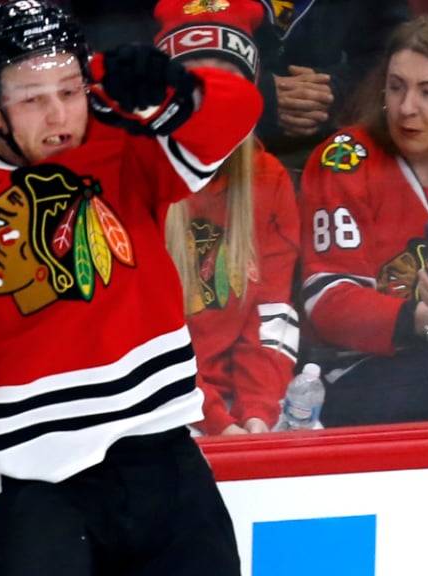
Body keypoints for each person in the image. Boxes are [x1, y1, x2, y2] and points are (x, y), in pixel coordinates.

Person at [0, 1, 263, 573]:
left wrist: (164, 84)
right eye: (33, 99)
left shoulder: (124, 142)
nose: (58, 115)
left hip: (163, 458)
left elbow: (239, 110)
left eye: (69, 91)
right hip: (32, 482)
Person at [153, 0, 300, 435]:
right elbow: (137, 336)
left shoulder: (268, 176)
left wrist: (257, 415)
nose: (211, 100)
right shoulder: (133, 175)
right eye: (195, 81)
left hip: (236, 407)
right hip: (148, 403)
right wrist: (219, 424)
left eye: (228, 81)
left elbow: (271, 314)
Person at [299, 15, 428, 427]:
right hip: (357, 372)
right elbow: (328, 299)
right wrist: (421, 319)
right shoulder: (345, 158)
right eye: (396, 87)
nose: (406, 108)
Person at [253, 0, 409, 175]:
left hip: (337, 145)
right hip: (239, 142)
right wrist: (260, 94)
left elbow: (393, 55)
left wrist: (335, 89)